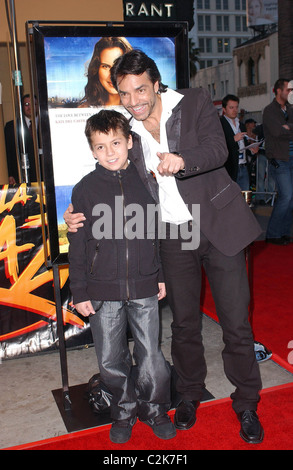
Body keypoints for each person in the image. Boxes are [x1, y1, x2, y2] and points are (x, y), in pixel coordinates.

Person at [65, 50, 264, 444]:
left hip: (217, 225)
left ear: (156, 83)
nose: (134, 100)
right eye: (125, 93)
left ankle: (247, 403)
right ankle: (189, 394)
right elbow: (112, 177)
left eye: (141, 89)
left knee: (236, 323)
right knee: (185, 323)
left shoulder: (193, 102)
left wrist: (181, 160)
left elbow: (218, 150)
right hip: (174, 234)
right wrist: (76, 214)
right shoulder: (129, 133)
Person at [68, 109, 175, 444]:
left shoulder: (146, 181)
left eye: (116, 142)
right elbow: (78, 245)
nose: (110, 151)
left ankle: (154, 409)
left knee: (150, 353)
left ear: (130, 141)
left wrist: (158, 273)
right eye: (100, 146)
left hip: (144, 283)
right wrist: (80, 289)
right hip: (103, 290)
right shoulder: (84, 189)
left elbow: (154, 233)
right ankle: (123, 411)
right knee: (111, 357)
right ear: (92, 150)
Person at [263, 78, 293, 245]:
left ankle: (283, 233)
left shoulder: (290, 108)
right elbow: (276, 132)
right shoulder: (269, 111)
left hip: (290, 158)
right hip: (279, 159)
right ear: (278, 91)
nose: (290, 93)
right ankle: (273, 234)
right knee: (286, 196)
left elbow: (284, 131)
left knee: (290, 198)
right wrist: (286, 128)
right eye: (288, 90)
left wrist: (287, 128)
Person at [78, 37, 132, 108]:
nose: (112, 75)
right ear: (96, 69)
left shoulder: (140, 109)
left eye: (118, 66)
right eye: (106, 66)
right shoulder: (84, 109)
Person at [4, 94, 38, 184]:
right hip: (20, 176)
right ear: (21, 107)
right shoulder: (11, 127)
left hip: (43, 175)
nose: (30, 107)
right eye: (26, 104)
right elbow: (8, 152)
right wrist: (10, 174)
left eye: (33, 104)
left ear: (37, 106)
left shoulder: (47, 125)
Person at [220, 95, 250, 190]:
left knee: (245, 198)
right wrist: (233, 139)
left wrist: (251, 149)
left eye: (236, 107)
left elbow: (244, 144)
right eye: (231, 107)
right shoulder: (219, 124)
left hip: (243, 165)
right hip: (229, 167)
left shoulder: (241, 124)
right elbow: (218, 145)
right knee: (230, 197)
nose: (235, 110)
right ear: (224, 109)